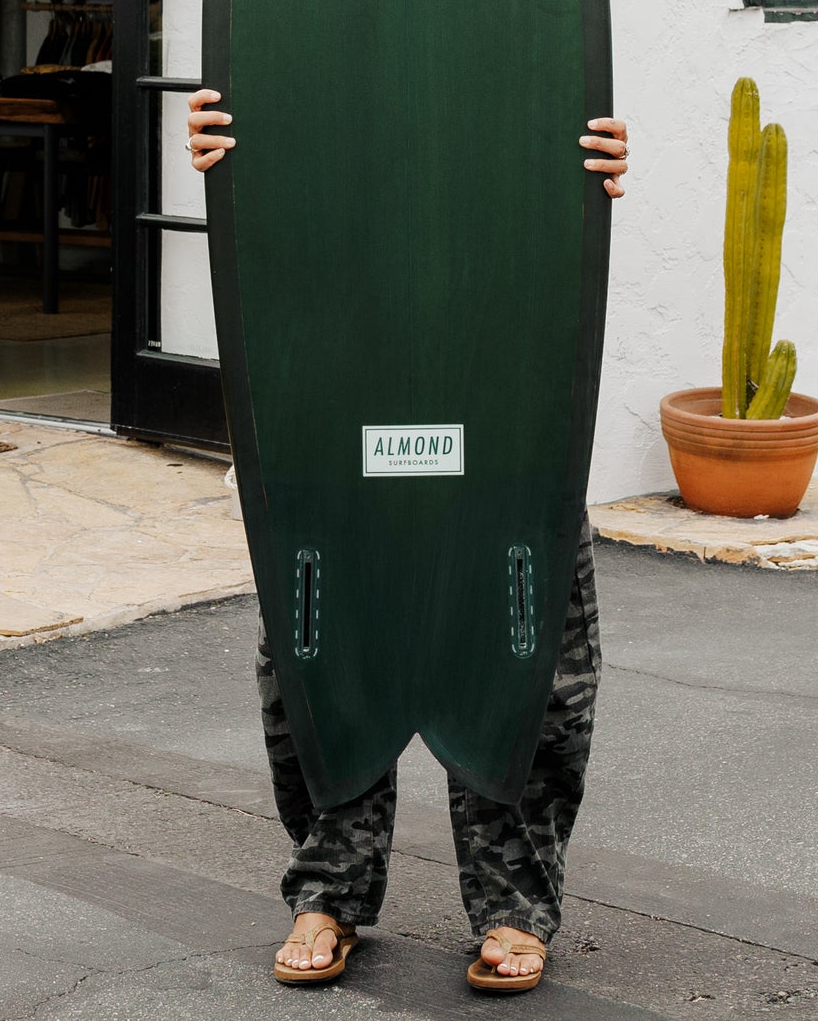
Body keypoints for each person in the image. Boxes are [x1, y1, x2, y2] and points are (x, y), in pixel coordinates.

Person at [188, 90, 629, 994]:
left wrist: (581, 164)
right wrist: (236, 147)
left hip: (506, 403)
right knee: (317, 665)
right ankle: (330, 888)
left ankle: (514, 902)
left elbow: (532, 129)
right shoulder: (323, 40)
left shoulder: (510, 36)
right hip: (331, 398)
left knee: (531, 665)